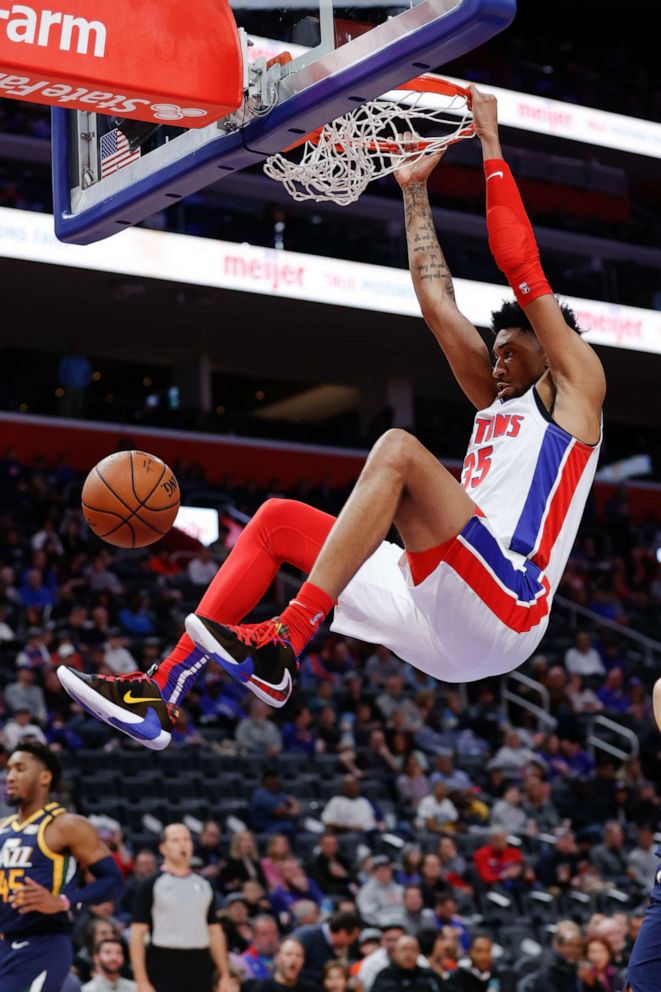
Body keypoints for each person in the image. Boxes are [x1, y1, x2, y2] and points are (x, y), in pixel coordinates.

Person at [58, 86, 605, 753]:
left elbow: (520, 265)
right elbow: (436, 302)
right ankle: (160, 692)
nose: (494, 366)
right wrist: (412, 191)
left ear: (547, 351)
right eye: (493, 355)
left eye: (509, 354)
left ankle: (288, 635)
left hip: (507, 604)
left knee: (399, 451)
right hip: (430, 601)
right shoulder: (495, 400)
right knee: (274, 523)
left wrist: (490, 143)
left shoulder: (576, 389)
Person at [0, 743, 123, 992]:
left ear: (45, 777)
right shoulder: (3, 827)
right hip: (5, 943)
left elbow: (112, 881)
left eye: (20, 769)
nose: (9, 776)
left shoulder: (67, 826)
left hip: (42, 944)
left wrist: (64, 901)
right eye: (9, 769)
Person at [129, 822, 233, 992]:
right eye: (175, 840)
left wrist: (225, 975)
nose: (182, 844)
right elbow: (137, 934)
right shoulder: (150, 885)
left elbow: (214, 932)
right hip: (164, 961)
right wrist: (141, 981)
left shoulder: (204, 884)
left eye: (186, 839)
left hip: (200, 961)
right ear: (163, 848)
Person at [371, 935, 440, 992]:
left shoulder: (429, 976)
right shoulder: (385, 976)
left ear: (419, 953)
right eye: (404, 949)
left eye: (413, 949)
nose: (409, 954)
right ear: (395, 953)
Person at [252, 937, 316, 992]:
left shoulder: (312, 989)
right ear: (277, 958)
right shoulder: (261, 989)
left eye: (299, 955)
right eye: (288, 954)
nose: (294, 959)